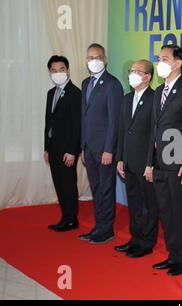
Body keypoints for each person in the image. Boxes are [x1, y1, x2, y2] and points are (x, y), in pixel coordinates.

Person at [145, 44, 182, 276]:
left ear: (178, 63)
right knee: (165, 210)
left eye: (165, 58)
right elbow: (154, 128)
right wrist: (149, 162)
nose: (160, 62)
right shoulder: (159, 91)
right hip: (159, 163)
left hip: (179, 163)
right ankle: (172, 254)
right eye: (159, 58)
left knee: (178, 210)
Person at [79, 43, 123, 244]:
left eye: (97, 57)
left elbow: (115, 120)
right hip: (89, 148)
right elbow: (84, 117)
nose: (93, 61)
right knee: (96, 189)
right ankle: (98, 225)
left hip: (105, 149)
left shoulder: (112, 84)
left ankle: (107, 229)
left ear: (105, 60)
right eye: (89, 57)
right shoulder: (85, 84)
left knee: (106, 188)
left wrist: (109, 149)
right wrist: (82, 146)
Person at [114, 60, 158, 258]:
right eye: (130, 71)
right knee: (134, 202)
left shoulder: (155, 98)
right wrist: (120, 159)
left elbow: (154, 135)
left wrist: (150, 162)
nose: (131, 74)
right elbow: (122, 131)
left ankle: (146, 242)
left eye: (136, 71)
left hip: (146, 162)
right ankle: (135, 238)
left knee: (148, 204)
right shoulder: (125, 99)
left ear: (147, 76)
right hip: (129, 161)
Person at [44, 55, 81, 232]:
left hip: (68, 150)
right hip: (53, 149)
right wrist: (46, 147)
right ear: (49, 72)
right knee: (59, 184)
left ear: (67, 70)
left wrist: (73, 151)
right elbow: (48, 122)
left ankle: (72, 220)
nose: (57, 73)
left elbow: (77, 125)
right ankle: (64, 217)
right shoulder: (51, 93)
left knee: (68, 184)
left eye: (61, 70)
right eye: (54, 70)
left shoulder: (75, 93)